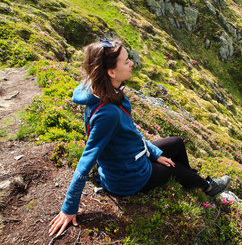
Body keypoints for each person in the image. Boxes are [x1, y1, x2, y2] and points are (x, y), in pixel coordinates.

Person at [49, 39, 230, 237]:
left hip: (128, 158)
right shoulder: (107, 113)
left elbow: (130, 134)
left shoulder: (103, 90)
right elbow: (87, 159)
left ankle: (191, 178)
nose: (131, 63)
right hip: (129, 178)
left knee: (176, 144)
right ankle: (206, 187)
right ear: (110, 71)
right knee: (173, 168)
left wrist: (154, 152)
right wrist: (69, 207)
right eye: (126, 61)